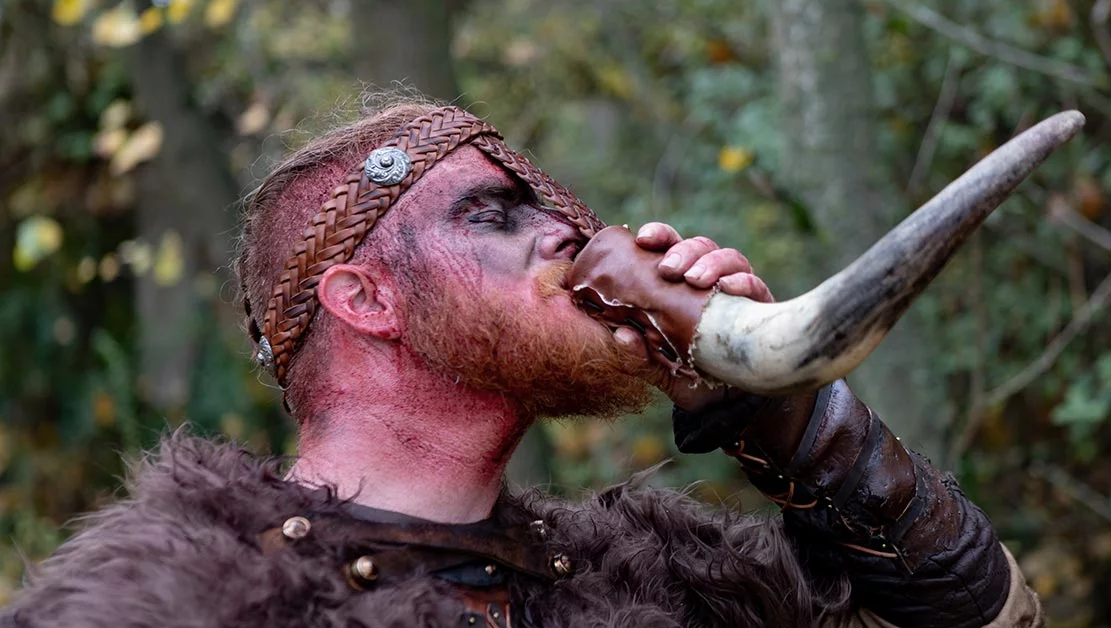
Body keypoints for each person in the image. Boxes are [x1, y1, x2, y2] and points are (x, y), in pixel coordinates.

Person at [2, 100, 1042, 627]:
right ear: (365, 299)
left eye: (549, 205)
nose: (566, 233)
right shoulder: (177, 597)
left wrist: (789, 419)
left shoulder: (654, 582)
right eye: (493, 216)